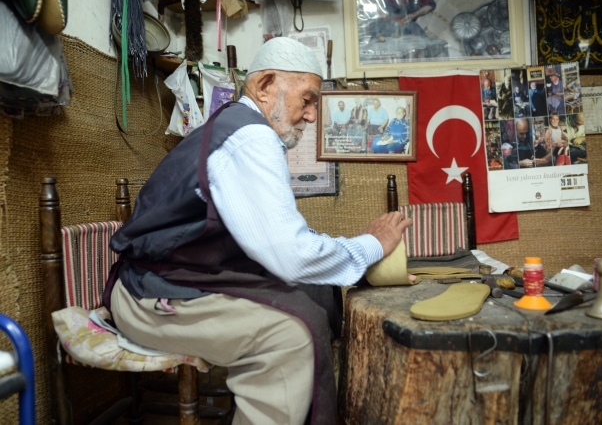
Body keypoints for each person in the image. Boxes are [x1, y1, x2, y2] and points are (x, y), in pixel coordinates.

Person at [103, 37, 412, 425]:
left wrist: (359, 250)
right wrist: (370, 245)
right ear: (266, 87)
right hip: (148, 298)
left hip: (175, 281)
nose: (313, 115)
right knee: (289, 336)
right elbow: (291, 254)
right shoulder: (249, 136)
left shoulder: (237, 126)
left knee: (318, 293)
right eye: (309, 99)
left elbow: (279, 238)